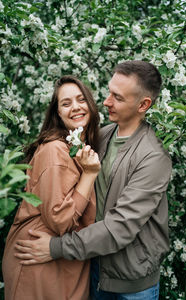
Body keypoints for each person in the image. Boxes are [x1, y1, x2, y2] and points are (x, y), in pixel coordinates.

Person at [14, 60, 172, 300]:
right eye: (109, 92)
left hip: (132, 284)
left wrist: (55, 248)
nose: (107, 101)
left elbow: (120, 227)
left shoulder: (153, 158)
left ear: (143, 104)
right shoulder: (102, 135)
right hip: (95, 268)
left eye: (118, 98)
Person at [2, 75, 101, 300]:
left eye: (81, 99)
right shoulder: (55, 150)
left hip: (61, 258)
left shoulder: (80, 148)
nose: (75, 107)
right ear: (58, 113)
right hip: (38, 258)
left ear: (90, 104)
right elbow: (59, 219)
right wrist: (90, 174)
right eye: (66, 103)